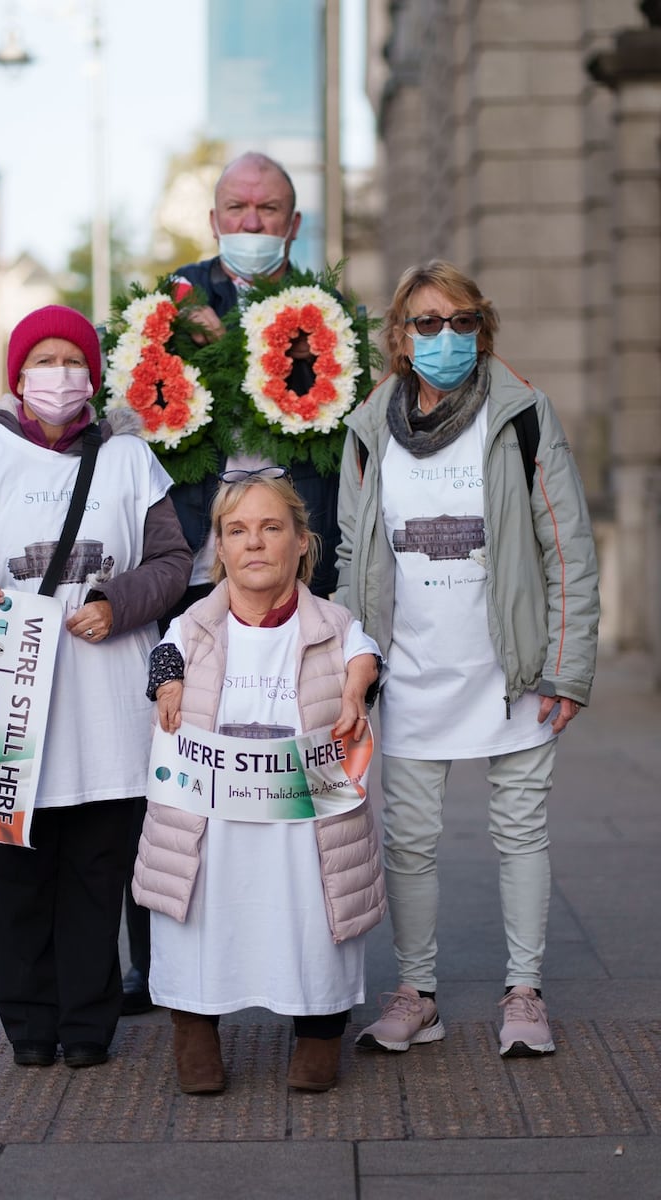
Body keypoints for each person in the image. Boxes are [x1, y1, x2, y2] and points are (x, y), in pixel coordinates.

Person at [334, 260, 599, 1059]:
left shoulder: (520, 416)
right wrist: (355, 665)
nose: (443, 338)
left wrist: (568, 664)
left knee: (520, 830)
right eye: (425, 323)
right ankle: (417, 994)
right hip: (411, 671)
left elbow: (567, 546)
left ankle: (525, 991)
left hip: (511, 668)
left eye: (459, 323)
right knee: (409, 840)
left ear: (481, 329)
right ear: (399, 336)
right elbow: (355, 552)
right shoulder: (369, 427)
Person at [0, 305, 192, 1070]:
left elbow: (172, 561)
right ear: (17, 374)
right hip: (13, 702)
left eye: (73, 360)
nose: (59, 375)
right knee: (22, 875)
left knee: (98, 874)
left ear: (93, 375)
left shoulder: (130, 461)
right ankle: (30, 1026)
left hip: (109, 708)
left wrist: (118, 604)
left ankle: (87, 1027)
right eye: (42, 359)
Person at [121, 149, 347, 1017]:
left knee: (312, 766)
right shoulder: (168, 308)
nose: (252, 223)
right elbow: (135, 430)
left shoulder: (330, 314)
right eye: (237, 207)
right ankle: (164, 965)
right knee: (179, 768)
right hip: (190, 580)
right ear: (215, 218)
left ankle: (321, 973)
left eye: (270, 208)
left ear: (294, 222)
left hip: (297, 581)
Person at [132, 467, 387, 1093]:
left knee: (310, 916)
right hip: (208, 815)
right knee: (199, 919)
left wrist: (356, 687)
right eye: (237, 530)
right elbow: (163, 654)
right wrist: (167, 682)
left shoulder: (332, 620)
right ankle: (195, 1038)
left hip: (306, 813)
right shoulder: (193, 624)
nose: (254, 542)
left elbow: (364, 653)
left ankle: (318, 1035)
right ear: (219, 547)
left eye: (272, 528)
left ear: (302, 542)